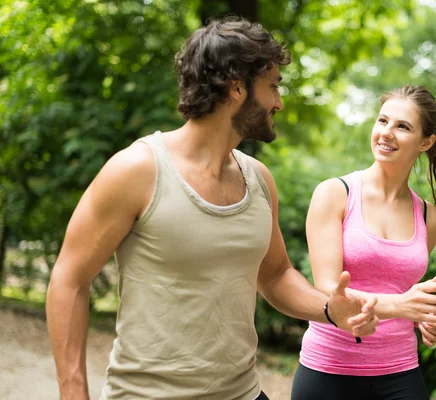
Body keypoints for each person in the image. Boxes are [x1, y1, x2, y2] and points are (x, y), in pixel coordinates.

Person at [45, 17, 379, 400]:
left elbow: (274, 275)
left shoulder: (258, 178)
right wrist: (73, 393)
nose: (279, 102)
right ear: (237, 87)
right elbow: (69, 279)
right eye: (273, 87)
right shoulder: (137, 170)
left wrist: (328, 309)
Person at [291, 85, 436, 400]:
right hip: (329, 369)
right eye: (382, 121)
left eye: (402, 126)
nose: (386, 133)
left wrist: (426, 318)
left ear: (426, 142)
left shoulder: (428, 217)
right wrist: (403, 307)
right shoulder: (335, 194)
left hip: (400, 372)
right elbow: (328, 289)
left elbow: (400, 290)